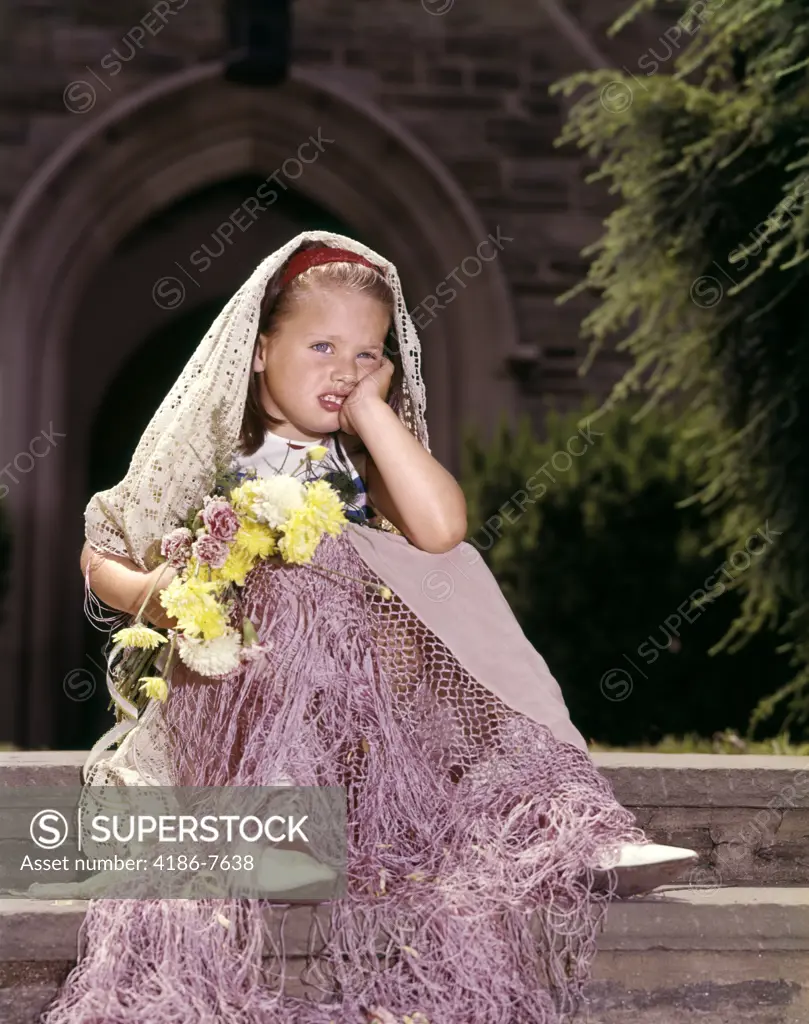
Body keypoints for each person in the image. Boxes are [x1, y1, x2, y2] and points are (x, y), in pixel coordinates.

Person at [42, 232, 696, 1024]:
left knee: (443, 568)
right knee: (279, 573)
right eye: (321, 346)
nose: (342, 369)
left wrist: (372, 412)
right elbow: (99, 552)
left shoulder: (360, 457)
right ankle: (279, 818)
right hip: (243, 694)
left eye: (366, 353)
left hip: (368, 703)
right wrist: (160, 584)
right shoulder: (218, 450)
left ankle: (553, 818)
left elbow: (441, 527)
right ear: (257, 349)